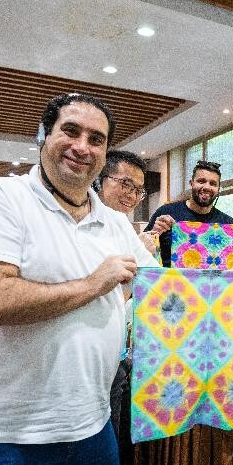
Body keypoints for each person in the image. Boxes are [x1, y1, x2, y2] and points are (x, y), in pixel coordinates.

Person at [0, 93, 156, 465]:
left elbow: (161, 287)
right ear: (43, 135)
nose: (83, 146)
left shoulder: (114, 222)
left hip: (90, 422)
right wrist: (95, 283)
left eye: (96, 139)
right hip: (7, 433)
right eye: (71, 131)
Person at [93, 150, 165, 442]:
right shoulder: (76, 219)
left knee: (115, 443)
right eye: (124, 184)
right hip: (88, 362)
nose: (132, 195)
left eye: (138, 190)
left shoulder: (120, 223)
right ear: (100, 179)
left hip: (118, 356)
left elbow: (153, 277)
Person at [145, 159, 233, 266]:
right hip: (170, 289)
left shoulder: (227, 224)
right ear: (191, 183)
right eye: (201, 181)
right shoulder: (167, 212)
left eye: (212, 183)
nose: (206, 187)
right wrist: (154, 233)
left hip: (214, 292)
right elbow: (141, 250)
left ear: (218, 189)